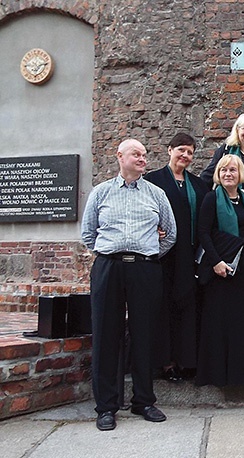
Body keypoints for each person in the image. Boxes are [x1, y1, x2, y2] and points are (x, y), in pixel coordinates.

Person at [81, 139, 177, 431]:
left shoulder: (156, 194)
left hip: (145, 270)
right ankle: (106, 407)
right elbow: (88, 233)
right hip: (109, 267)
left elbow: (170, 234)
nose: (142, 158)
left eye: (145, 154)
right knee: (106, 334)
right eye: (137, 153)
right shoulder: (101, 193)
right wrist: (112, 254)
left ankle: (144, 401)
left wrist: (147, 254)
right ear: (120, 156)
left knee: (144, 334)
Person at [144, 133, 208, 382]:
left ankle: (187, 360)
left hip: (190, 256)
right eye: (181, 150)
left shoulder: (198, 184)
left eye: (190, 152)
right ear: (169, 150)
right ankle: (166, 362)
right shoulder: (152, 181)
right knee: (165, 309)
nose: (185, 156)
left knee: (188, 308)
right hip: (164, 257)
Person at [196, 154, 244, 387]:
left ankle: (240, 376)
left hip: (242, 270)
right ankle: (218, 375)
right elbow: (203, 232)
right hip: (220, 271)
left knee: (241, 322)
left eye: (232, 170)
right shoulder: (212, 198)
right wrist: (216, 262)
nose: (228, 174)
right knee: (220, 323)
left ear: (240, 173)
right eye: (223, 171)